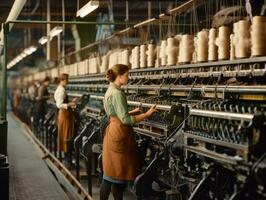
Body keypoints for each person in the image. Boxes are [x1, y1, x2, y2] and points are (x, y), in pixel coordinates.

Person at [100, 64, 157, 200]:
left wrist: (133, 111)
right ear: (119, 77)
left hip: (112, 132)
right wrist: (147, 115)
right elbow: (125, 120)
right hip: (119, 134)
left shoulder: (110, 90)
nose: (128, 78)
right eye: (126, 75)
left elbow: (115, 114)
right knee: (114, 176)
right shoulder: (118, 93)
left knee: (111, 175)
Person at [54, 73, 77, 160]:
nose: (68, 81)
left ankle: (67, 153)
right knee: (66, 134)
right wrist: (70, 104)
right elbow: (59, 104)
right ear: (62, 80)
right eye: (67, 80)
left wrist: (70, 102)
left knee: (66, 133)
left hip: (65, 114)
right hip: (64, 114)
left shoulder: (61, 89)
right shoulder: (61, 90)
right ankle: (67, 155)